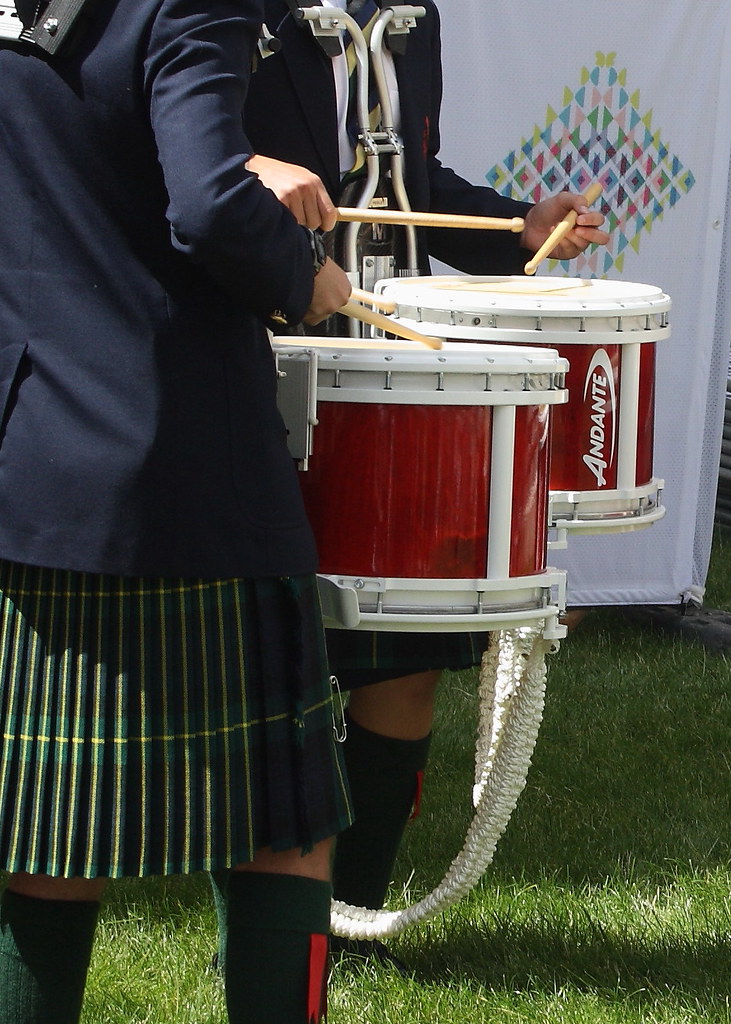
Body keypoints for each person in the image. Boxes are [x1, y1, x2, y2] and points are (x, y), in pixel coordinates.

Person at [212, 0, 610, 971]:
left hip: (389, 375)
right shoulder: (231, 10)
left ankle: (349, 920)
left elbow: (405, 185)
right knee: (264, 659)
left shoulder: (412, 17)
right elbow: (174, 157)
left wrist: (517, 228)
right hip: (249, 358)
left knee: (406, 651)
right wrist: (250, 173)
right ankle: (264, 938)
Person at [0, 1, 353, 1022]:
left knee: (47, 836)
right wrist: (305, 276)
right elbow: (204, 205)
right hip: (193, 460)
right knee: (284, 826)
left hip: (32, 456)